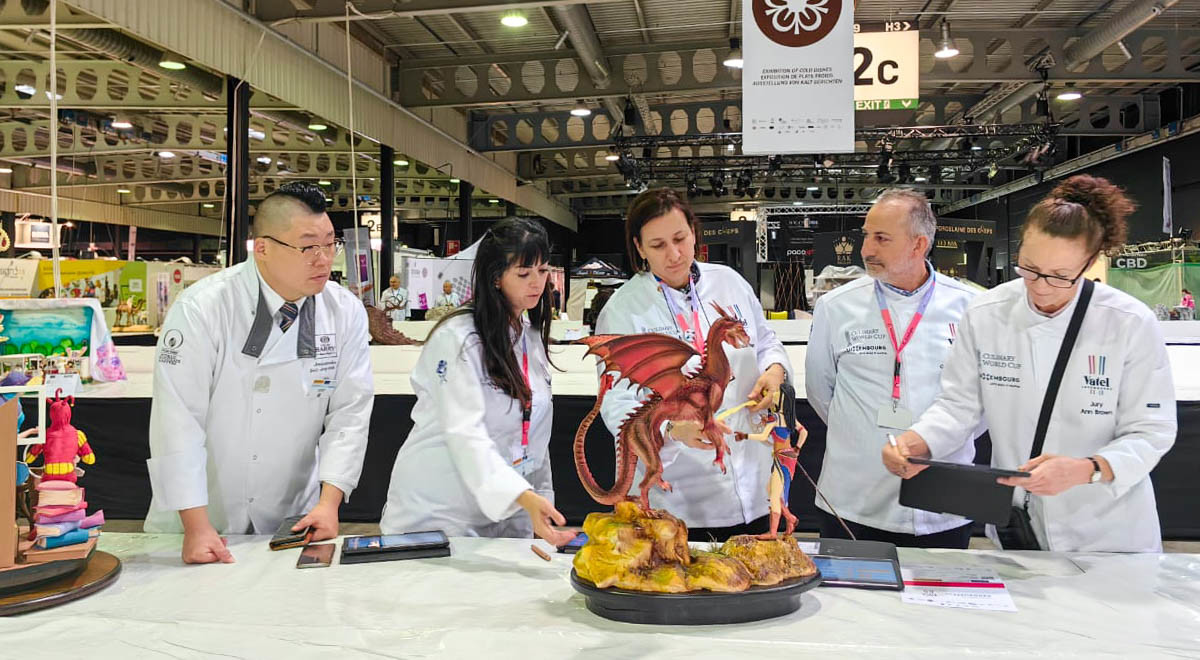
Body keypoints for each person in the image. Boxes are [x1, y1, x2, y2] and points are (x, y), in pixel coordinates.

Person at [885, 175, 1176, 553]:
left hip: (1108, 527)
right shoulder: (987, 313)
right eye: (1029, 268)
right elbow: (958, 405)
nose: (1039, 286)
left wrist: (1088, 467)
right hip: (1019, 523)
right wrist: (916, 442)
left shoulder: (1128, 322)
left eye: (1059, 277)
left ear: (1090, 263)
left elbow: (1152, 431)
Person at [145, 181, 374, 564]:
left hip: (291, 519)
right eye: (307, 246)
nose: (323, 259)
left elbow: (350, 412)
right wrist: (196, 525)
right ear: (262, 248)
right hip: (201, 515)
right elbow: (177, 419)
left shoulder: (344, 311)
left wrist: (330, 502)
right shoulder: (204, 308)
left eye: (330, 244)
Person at [594, 188, 791, 540]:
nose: (674, 254)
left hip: (755, 481)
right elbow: (618, 404)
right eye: (657, 246)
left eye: (680, 238)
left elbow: (765, 340)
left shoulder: (729, 283)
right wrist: (670, 429)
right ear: (639, 248)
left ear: (694, 232)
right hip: (683, 498)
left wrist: (774, 371)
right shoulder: (624, 310)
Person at [381, 218, 572, 546]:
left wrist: (537, 497)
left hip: (506, 506)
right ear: (495, 277)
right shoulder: (458, 338)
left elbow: (535, 431)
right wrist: (523, 496)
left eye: (542, 271)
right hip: (440, 509)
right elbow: (464, 432)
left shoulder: (530, 336)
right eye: (524, 274)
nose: (537, 283)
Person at [806, 189, 980, 548]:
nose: (866, 249)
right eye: (867, 235)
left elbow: (980, 406)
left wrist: (933, 442)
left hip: (941, 500)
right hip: (854, 501)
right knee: (852, 603)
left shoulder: (971, 308)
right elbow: (822, 393)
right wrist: (864, 434)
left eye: (882, 239)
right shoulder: (836, 307)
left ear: (918, 246)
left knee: (942, 600)